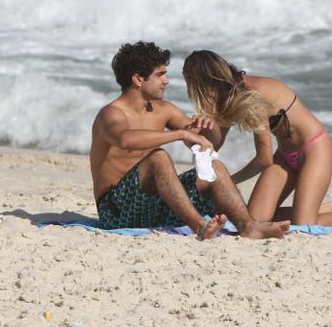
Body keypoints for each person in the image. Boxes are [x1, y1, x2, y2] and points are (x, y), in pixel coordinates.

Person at [90, 41, 291, 240]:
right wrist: (180, 134)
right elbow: (125, 140)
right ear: (138, 79)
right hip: (116, 211)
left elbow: (204, 142)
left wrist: (209, 125)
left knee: (215, 167)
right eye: (160, 75)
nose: (166, 80)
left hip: (153, 207)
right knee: (158, 157)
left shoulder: (164, 109)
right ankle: (200, 226)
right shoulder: (111, 114)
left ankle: (249, 227)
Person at [182, 50, 332, 229]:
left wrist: (228, 183)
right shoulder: (227, 97)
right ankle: (325, 210)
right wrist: (196, 133)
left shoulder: (251, 95)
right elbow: (215, 145)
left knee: (303, 226)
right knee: (255, 220)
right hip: (285, 155)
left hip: (315, 149)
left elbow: (264, 159)